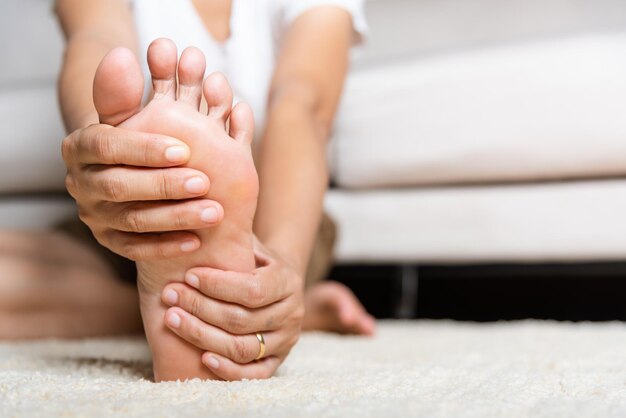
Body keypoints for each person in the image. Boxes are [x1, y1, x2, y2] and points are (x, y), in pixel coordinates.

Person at [0, 0, 375, 381]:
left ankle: (210, 298)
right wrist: (101, 148)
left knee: (244, 250)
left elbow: (302, 104)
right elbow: (95, 38)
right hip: (132, 209)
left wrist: (284, 264)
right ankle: (204, 311)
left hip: (272, 225)